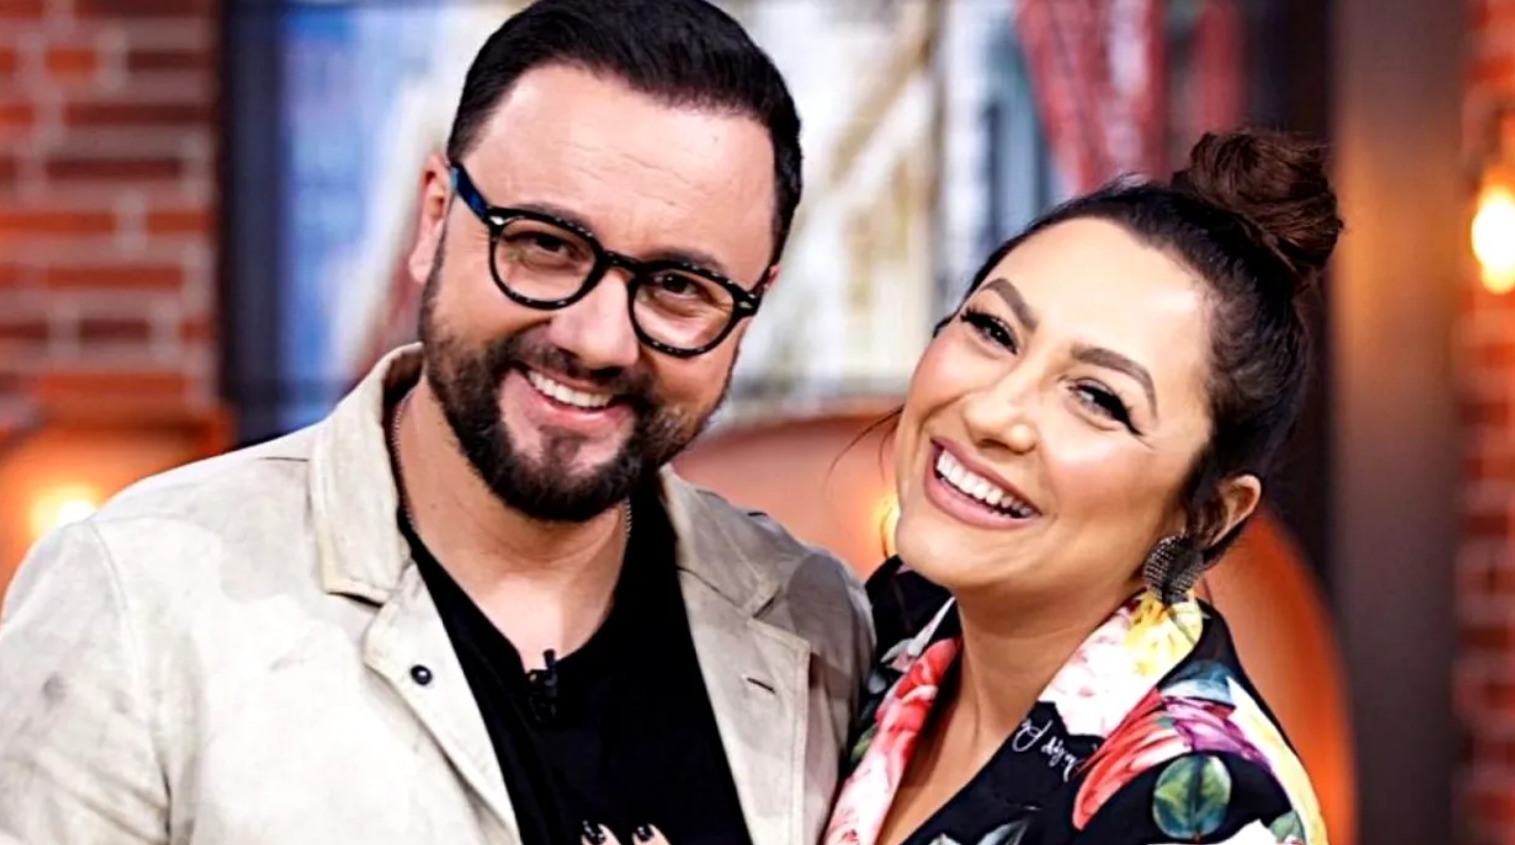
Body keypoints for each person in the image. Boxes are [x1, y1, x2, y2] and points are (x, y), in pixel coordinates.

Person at [0, 2, 872, 845]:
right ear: (432, 218)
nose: (597, 338)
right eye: (545, 244)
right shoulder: (139, 596)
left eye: (679, 286)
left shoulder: (814, 620)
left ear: (749, 309)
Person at [819, 129, 1341, 845]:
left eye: (1097, 397)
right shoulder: (906, 614)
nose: (992, 412)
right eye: (992, 329)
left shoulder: (1204, 804)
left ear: (1206, 516)